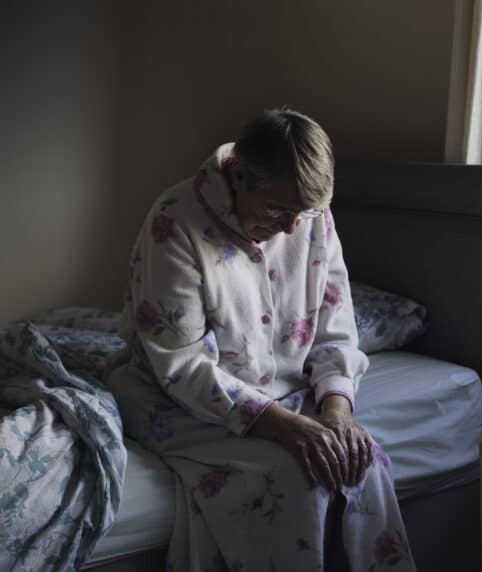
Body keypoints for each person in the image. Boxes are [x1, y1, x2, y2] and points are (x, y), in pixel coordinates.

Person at [107, 107, 416, 571]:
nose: (293, 227)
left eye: (304, 213)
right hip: (176, 401)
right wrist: (280, 424)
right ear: (237, 176)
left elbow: (336, 327)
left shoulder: (312, 216)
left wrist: (336, 413)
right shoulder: (175, 222)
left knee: (362, 462)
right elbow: (181, 365)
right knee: (293, 479)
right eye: (278, 210)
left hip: (285, 395)